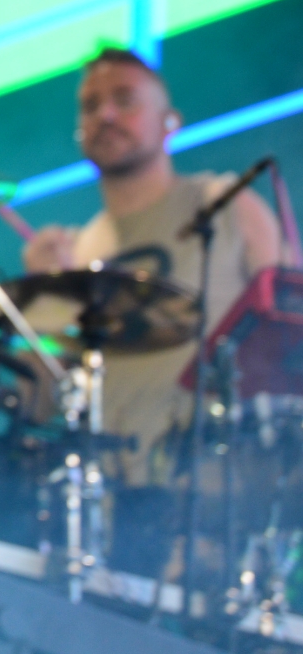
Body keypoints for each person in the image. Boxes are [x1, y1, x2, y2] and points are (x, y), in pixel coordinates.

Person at [20, 47, 289, 494]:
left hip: (225, 494)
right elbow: (43, 405)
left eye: (125, 99)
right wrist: (38, 297)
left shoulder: (225, 204)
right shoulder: (77, 256)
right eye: (91, 105)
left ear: (171, 121)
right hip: (115, 505)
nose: (105, 114)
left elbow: (290, 330)